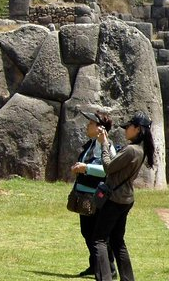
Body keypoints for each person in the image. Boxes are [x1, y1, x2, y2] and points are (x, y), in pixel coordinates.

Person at [92, 112, 156, 281]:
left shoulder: (131, 150)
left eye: (129, 127)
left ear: (137, 129)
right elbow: (117, 165)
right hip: (126, 199)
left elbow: (108, 167)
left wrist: (104, 144)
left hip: (114, 199)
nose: (126, 129)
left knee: (99, 239)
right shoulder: (140, 150)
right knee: (117, 241)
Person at [70, 111, 118, 278]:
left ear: (100, 128)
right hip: (86, 197)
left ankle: (109, 267)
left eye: (90, 123)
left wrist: (86, 168)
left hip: (98, 198)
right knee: (87, 231)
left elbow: (108, 169)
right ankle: (95, 265)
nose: (87, 126)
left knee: (98, 235)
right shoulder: (91, 144)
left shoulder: (106, 146)